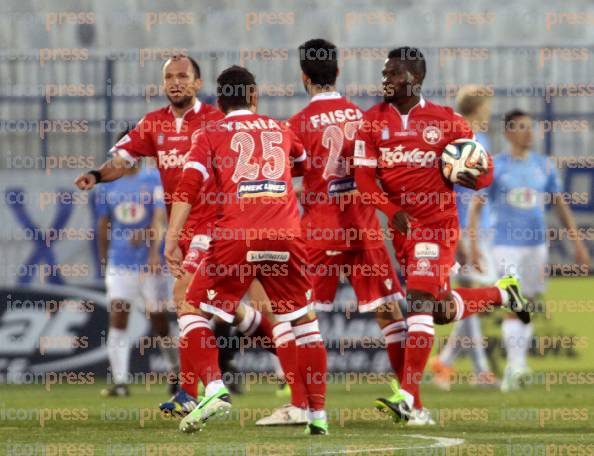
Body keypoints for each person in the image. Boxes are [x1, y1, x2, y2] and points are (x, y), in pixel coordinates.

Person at [75, 55, 271, 416]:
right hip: (183, 232)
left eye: (183, 76)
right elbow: (123, 159)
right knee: (209, 308)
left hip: (215, 225)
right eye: (169, 77)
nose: (176, 82)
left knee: (186, 302)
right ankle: (275, 340)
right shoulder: (153, 124)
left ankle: (204, 390)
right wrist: (96, 175)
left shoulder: (216, 119)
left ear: (198, 84)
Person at [353, 47, 531, 424]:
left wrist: (474, 175)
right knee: (440, 309)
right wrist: (391, 211)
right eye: (384, 73)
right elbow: (364, 180)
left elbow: (485, 172)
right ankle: (503, 293)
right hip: (402, 230)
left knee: (417, 303)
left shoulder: (448, 122)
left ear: (414, 79)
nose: (385, 80)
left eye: (393, 74)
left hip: (437, 226)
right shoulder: (370, 122)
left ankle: (409, 400)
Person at [165, 65, 329, 435]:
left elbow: (188, 187)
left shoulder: (210, 133)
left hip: (238, 236)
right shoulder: (281, 128)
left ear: (220, 102)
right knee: (304, 322)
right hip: (287, 235)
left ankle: (214, 388)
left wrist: (171, 237)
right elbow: (302, 165)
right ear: (254, 97)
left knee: (190, 306)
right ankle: (316, 413)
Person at [272, 38, 417, 423]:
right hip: (364, 227)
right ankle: (409, 400)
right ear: (338, 72)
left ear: (303, 76)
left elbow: (289, 176)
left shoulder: (296, 125)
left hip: (318, 230)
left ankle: (302, 405)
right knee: (390, 312)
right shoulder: (365, 116)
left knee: (298, 317)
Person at [468, 109, 590, 392]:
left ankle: (517, 366)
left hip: (536, 246)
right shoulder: (496, 165)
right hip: (505, 246)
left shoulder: (544, 165)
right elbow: (476, 207)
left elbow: (560, 206)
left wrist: (578, 242)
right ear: (509, 132)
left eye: (530, 127)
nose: (528, 132)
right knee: (515, 301)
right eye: (522, 127)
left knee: (529, 303)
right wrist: (473, 246)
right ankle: (515, 367)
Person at [430, 86, 498, 390]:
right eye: (487, 108)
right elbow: (462, 198)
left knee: (467, 297)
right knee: (466, 295)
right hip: (457, 229)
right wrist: (465, 241)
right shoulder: (470, 142)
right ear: (478, 109)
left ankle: (445, 360)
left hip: (460, 229)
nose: (490, 114)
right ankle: (481, 370)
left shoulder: (452, 137)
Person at [95, 152, 177, 397]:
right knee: (118, 316)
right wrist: (103, 259)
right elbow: (103, 224)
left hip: (152, 266)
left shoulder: (154, 180)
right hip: (120, 263)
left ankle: (177, 371)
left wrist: (153, 251)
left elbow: (159, 219)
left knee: (159, 320)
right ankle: (120, 382)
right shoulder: (107, 185)